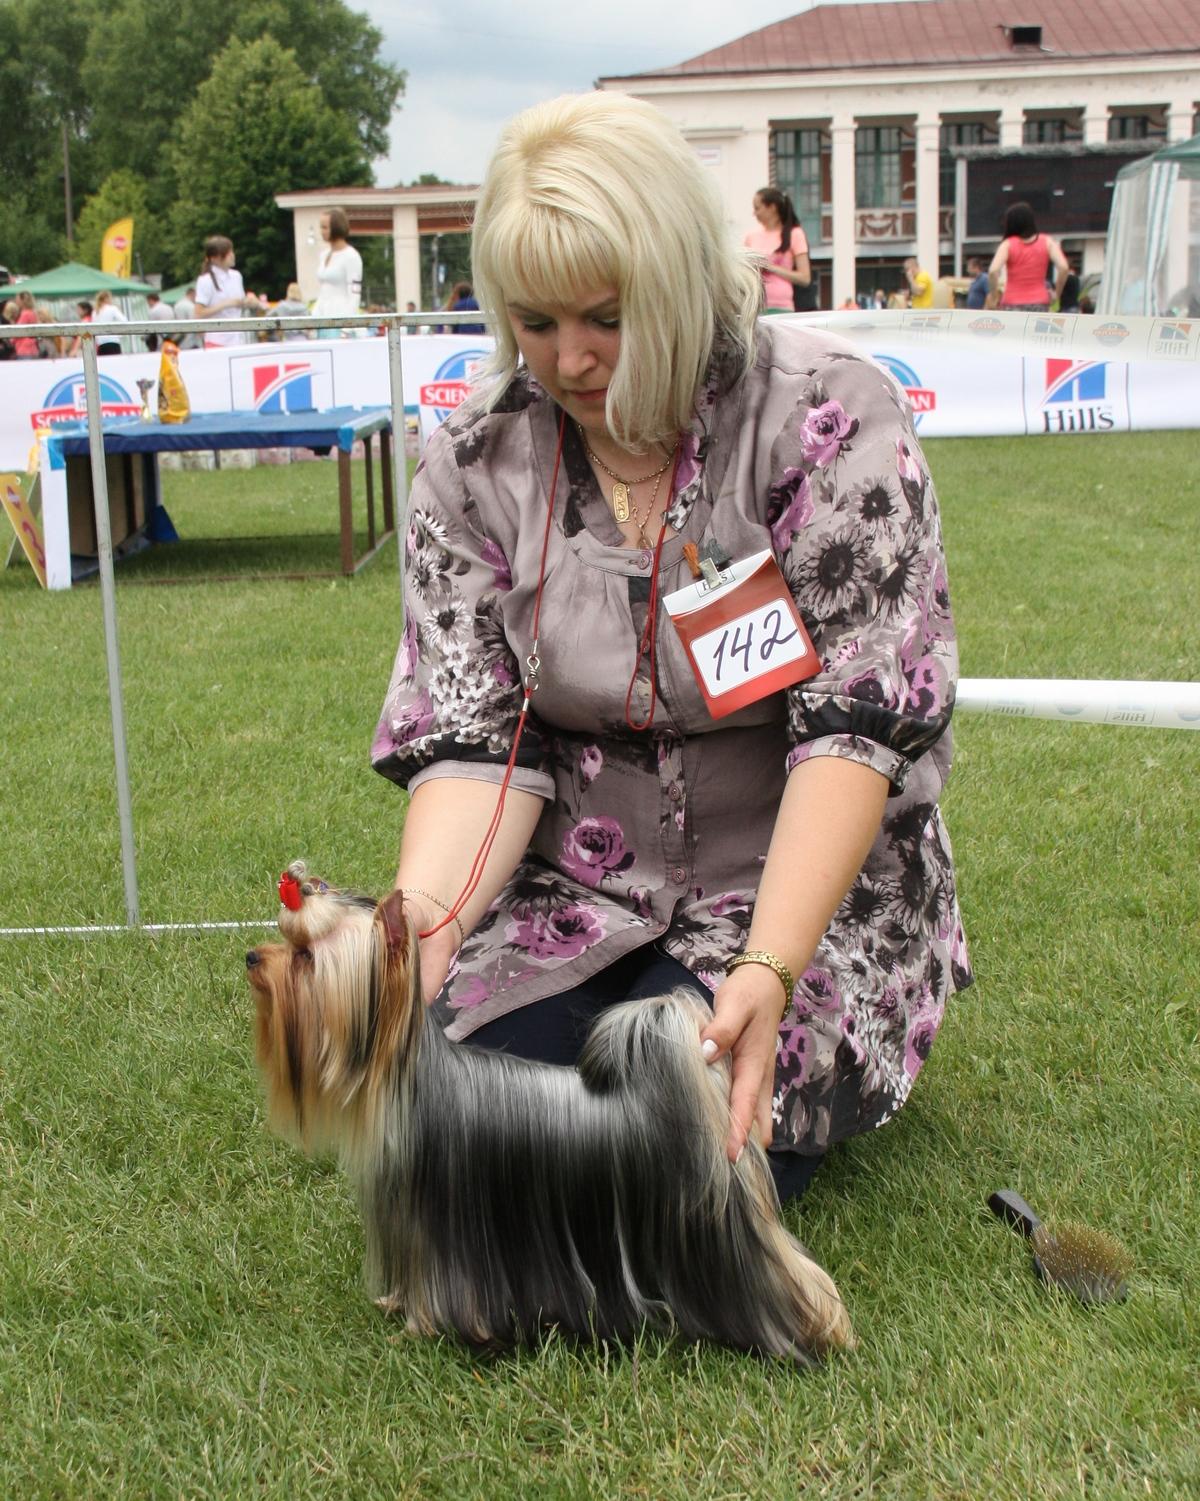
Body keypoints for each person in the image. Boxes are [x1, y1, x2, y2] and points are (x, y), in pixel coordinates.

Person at [372, 93, 971, 1203]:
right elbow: (474, 739)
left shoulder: (829, 419)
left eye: (605, 314)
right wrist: (428, 925)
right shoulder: (474, 462)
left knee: (680, 1157)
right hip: (580, 886)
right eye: (535, 321)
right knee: (468, 1127)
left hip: (794, 885)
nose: (570, 358)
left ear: (681, 278)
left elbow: (859, 724)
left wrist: (772, 965)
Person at [987, 202, 1069, 312]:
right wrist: (1056, 294)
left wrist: (994, 296)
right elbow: (1064, 267)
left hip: (1012, 303)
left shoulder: (1008, 244)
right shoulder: (1047, 241)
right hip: (1040, 302)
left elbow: (993, 270)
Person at [744, 186, 812, 313]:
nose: (754, 213)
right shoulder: (751, 237)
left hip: (782, 307)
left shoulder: (795, 234)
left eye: (757, 208)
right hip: (754, 307)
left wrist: (770, 267)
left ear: (772, 207)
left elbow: (805, 278)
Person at [194, 236, 262, 349]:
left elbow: (239, 302)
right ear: (215, 258)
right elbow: (198, 313)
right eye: (227, 253)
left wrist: (250, 301)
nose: (232, 255)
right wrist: (226, 304)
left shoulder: (236, 276)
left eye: (231, 252)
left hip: (239, 339)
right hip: (217, 340)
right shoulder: (205, 280)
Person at [312, 206, 363, 338]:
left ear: (336, 227)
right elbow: (323, 291)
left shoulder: (351, 256)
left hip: (341, 323)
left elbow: (355, 293)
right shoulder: (324, 255)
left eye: (324, 227)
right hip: (321, 319)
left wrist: (347, 327)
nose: (321, 231)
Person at [92, 290, 126, 356]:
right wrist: (119, 334)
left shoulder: (95, 312)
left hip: (101, 344)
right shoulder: (112, 308)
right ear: (107, 298)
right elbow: (124, 320)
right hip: (113, 341)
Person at [12, 290, 41, 358]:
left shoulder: (25, 314)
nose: (16, 301)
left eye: (17, 299)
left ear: (22, 300)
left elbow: (17, 330)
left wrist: (10, 339)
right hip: (32, 347)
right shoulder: (32, 313)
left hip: (24, 348)